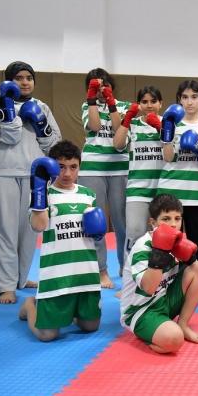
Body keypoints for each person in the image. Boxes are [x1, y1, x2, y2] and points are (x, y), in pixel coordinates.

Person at [0, 61, 61, 304]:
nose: (25, 82)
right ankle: (5, 285)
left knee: (29, 230)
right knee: (4, 229)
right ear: (9, 81)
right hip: (2, 170)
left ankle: (20, 277)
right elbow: (9, 136)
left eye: (29, 77)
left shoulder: (42, 106)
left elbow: (54, 144)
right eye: (19, 78)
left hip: (34, 172)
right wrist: (11, 109)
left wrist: (40, 123)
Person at [18, 141, 106, 341]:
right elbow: (38, 226)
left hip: (85, 274)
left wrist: (98, 232)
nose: (67, 173)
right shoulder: (44, 194)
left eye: (73, 167)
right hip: (56, 276)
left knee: (90, 327)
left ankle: (70, 312)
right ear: (52, 167)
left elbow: (94, 234)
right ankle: (30, 305)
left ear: (79, 167)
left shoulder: (88, 195)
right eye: (61, 167)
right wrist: (39, 191)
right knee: (47, 335)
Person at [120, 194, 198, 354]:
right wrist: (159, 253)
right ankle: (157, 335)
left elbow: (193, 275)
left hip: (165, 299)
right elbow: (148, 288)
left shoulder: (177, 242)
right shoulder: (142, 248)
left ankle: (182, 323)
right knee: (174, 339)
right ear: (153, 222)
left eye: (177, 218)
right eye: (166, 219)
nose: (173, 224)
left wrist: (189, 259)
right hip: (142, 310)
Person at [157, 79, 198, 291]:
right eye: (185, 97)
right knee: (168, 240)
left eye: (194, 97)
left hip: (196, 193)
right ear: (179, 100)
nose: (189, 102)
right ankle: (166, 280)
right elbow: (168, 157)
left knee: (197, 239)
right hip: (170, 190)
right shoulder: (170, 122)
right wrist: (168, 134)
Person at [79, 69, 130, 289]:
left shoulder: (124, 106)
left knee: (122, 222)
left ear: (111, 85)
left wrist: (111, 103)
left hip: (120, 168)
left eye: (104, 85)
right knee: (96, 222)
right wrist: (92, 100)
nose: (101, 90)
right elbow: (96, 127)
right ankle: (101, 270)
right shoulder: (86, 105)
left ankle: (125, 267)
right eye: (95, 87)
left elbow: (119, 130)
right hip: (92, 169)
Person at [113, 85, 164, 269]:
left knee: (161, 236)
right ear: (138, 104)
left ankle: (159, 275)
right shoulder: (133, 125)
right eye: (144, 101)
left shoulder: (168, 122)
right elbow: (118, 145)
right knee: (134, 231)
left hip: (162, 188)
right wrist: (126, 120)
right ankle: (130, 274)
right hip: (137, 188)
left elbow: (174, 151)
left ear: (161, 103)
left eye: (153, 101)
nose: (149, 105)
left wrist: (161, 129)